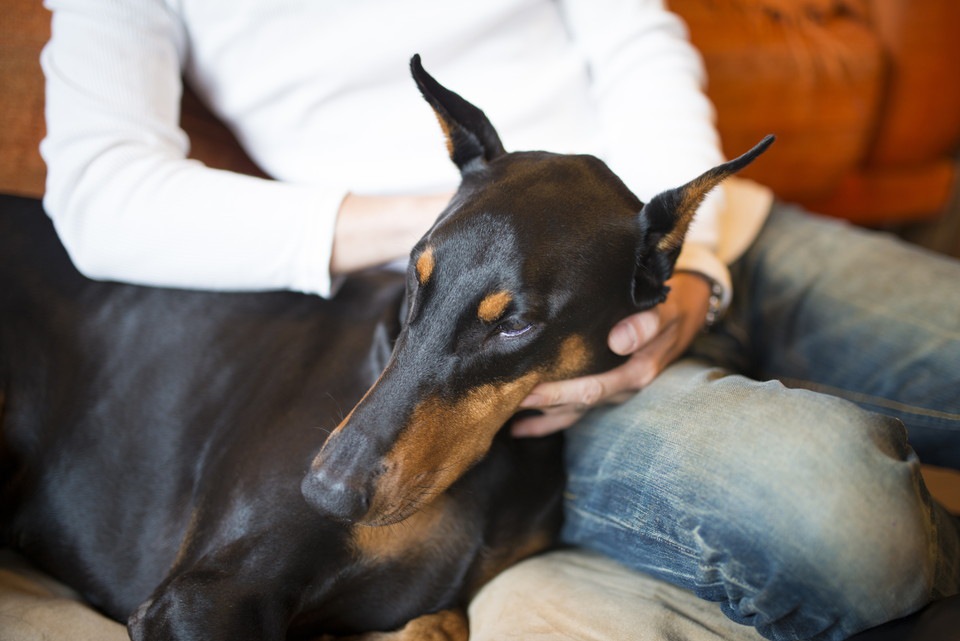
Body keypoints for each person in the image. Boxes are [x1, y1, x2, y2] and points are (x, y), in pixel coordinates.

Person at [39, 1, 960, 640]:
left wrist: (690, 258)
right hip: (537, 359)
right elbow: (99, 191)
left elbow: (637, 39)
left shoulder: (694, 236)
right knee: (849, 526)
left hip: (721, 231)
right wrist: (475, 227)